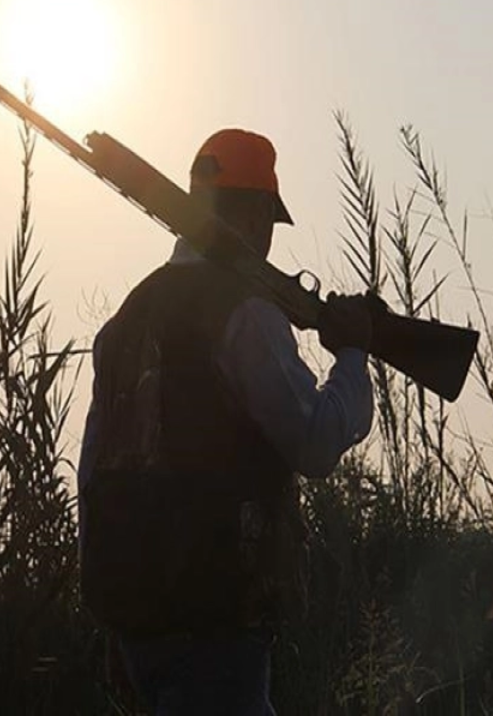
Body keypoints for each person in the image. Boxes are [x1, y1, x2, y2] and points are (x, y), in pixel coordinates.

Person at [77, 128, 376, 715]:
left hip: (141, 626)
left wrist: (114, 624)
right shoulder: (244, 311)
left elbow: (94, 478)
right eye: (268, 216)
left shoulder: (125, 321)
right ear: (256, 210)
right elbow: (314, 446)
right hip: (215, 621)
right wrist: (353, 354)